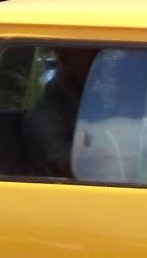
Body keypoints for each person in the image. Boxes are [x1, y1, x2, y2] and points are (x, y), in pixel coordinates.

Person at [22, 47, 96, 177]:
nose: (95, 65)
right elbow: (69, 169)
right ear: (64, 58)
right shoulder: (46, 115)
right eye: (91, 57)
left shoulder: (89, 100)